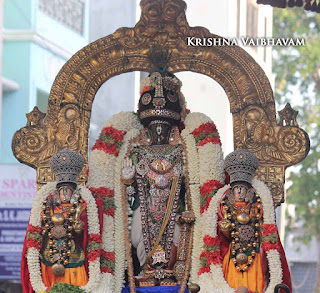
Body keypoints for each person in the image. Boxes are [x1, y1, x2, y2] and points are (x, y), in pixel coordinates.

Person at [87, 67, 226, 291]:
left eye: (164, 128)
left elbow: (189, 188)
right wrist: (128, 180)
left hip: (174, 212)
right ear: (146, 129)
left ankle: (169, 273)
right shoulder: (135, 150)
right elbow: (128, 195)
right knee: (138, 237)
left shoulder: (183, 151)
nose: (159, 132)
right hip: (145, 209)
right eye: (154, 128)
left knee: (177, 240)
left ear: (172, 129)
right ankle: (146, 271)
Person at [201, 149, 291, 293]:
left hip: (254, 255)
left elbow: (265, 230)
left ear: (249, 190)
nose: (240, 192)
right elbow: (221, 238)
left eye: (243, 189)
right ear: (232, 191)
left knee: (255, 285)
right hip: (232, 255)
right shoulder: (224, 205)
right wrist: (225, 229)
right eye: (237, 189)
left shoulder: (259, 203)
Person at [21, 149, 103, 293]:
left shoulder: (83, 204)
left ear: (74, 191)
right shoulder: (45, 204)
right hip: (48, 257)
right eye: (62, 190)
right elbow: (36, 233)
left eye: (68, 190)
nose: (65, 194)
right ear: (56, 191)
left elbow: (87, 232)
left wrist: (78, 223)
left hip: (74, 256)